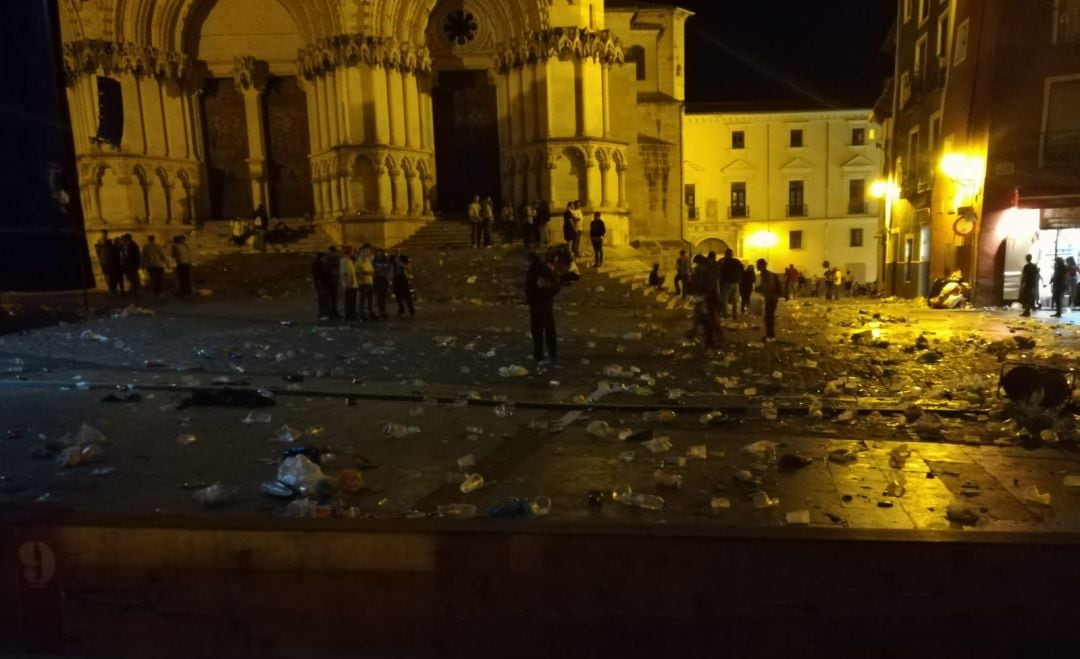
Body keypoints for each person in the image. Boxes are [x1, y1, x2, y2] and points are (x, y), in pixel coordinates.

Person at [525, 251, 561, 362]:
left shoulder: (533, 271)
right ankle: (552, 354)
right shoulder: (546, 270)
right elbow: (554, 286)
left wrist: (530, 300)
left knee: (537, 331)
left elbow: (529, 288)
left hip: (536, 306)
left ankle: (539, 354)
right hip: (546, 305)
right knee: (549, 331)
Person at [689, 254, 720, 348]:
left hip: (707, 296)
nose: (697, 266)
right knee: (706, 316)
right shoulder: (709, 268)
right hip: (708, 296)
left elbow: (705, 283)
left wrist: (694, 281)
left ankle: (712, 339)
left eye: (698, 264)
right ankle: (714, 337)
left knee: (708, 318)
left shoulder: (706, 270)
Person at [755, 258, 786, 341]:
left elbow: (768, 286)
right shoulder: (766, 274)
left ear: (763, 265)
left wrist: (758, 288)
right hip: (771, 297)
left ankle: (771, 335)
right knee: (768, 316)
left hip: (771, 297)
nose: (756, 266)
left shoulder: (766, 275)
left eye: (758, 264)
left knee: (769, 317)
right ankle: (769, 334)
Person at [95, 230, 122, 295]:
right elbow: (98, 250)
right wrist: (100, 257)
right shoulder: (100, 241)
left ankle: (111, 288)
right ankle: (110, 287)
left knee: (110, 275)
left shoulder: (109, 241)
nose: (104, 235)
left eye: (105, 234)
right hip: (104, 261)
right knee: (106, 274)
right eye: (103, 234)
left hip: (108, 261)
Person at [718, 249, 743, 319]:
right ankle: (735, 315)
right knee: (734, 300)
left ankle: (725, 314)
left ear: (726, 254)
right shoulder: (737, 261)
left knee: (724, 299)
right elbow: (742, 269)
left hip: (726, 282)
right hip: (736, 282)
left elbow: (719, 270)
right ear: (732, 254)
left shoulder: (723, 261)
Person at [356, 245, 376, 321]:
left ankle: (371, 312)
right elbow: (362, 271)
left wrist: (369, 272)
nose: (367, 253)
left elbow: (372, 271)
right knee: (363, 300)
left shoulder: (368, 261)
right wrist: (368, 272)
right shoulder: (359, 261)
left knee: (371, 299)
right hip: (363, 283)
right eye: (365, 251)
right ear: (361, 252)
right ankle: (362, 314)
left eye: (368, 251)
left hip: (370, 282)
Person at [340, 246, 359, 321]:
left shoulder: (350, 261)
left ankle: (352, 314)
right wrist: (348, 283)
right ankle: (349, 316)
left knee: (352, 301)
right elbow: (345, 273)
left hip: (353, 284)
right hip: (349, 285)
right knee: (349, 301)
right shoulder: (344, 261)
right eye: (352, 251)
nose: (353, 253)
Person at [323, 246, 342, 319]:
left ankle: (333, 312)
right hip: (330, 280)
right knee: (331, 298)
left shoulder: (330, 259)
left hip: (333, 280)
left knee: (333, 298)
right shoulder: (328, 260)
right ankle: (331, 313)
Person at [373, 250, 392, 319]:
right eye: (378, 253)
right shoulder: (374, 261)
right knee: (377, 297)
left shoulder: (385, 261)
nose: (379, 254)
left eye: (380, 253)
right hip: (377, 281)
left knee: (383, 297)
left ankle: (383, 311)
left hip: (384, 280)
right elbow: (376, 269)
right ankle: (377, 312)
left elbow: (388, 268)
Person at [312, 252, 331, 320]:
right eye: (324, 258)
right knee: (322, 299)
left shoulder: (319, 264)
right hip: (321, 285)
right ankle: (322, 314)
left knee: (323, 299)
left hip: (322, 284)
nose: (325, 259)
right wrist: (319, 284)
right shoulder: (318, 265)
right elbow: (317, 276)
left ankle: (324, 313)